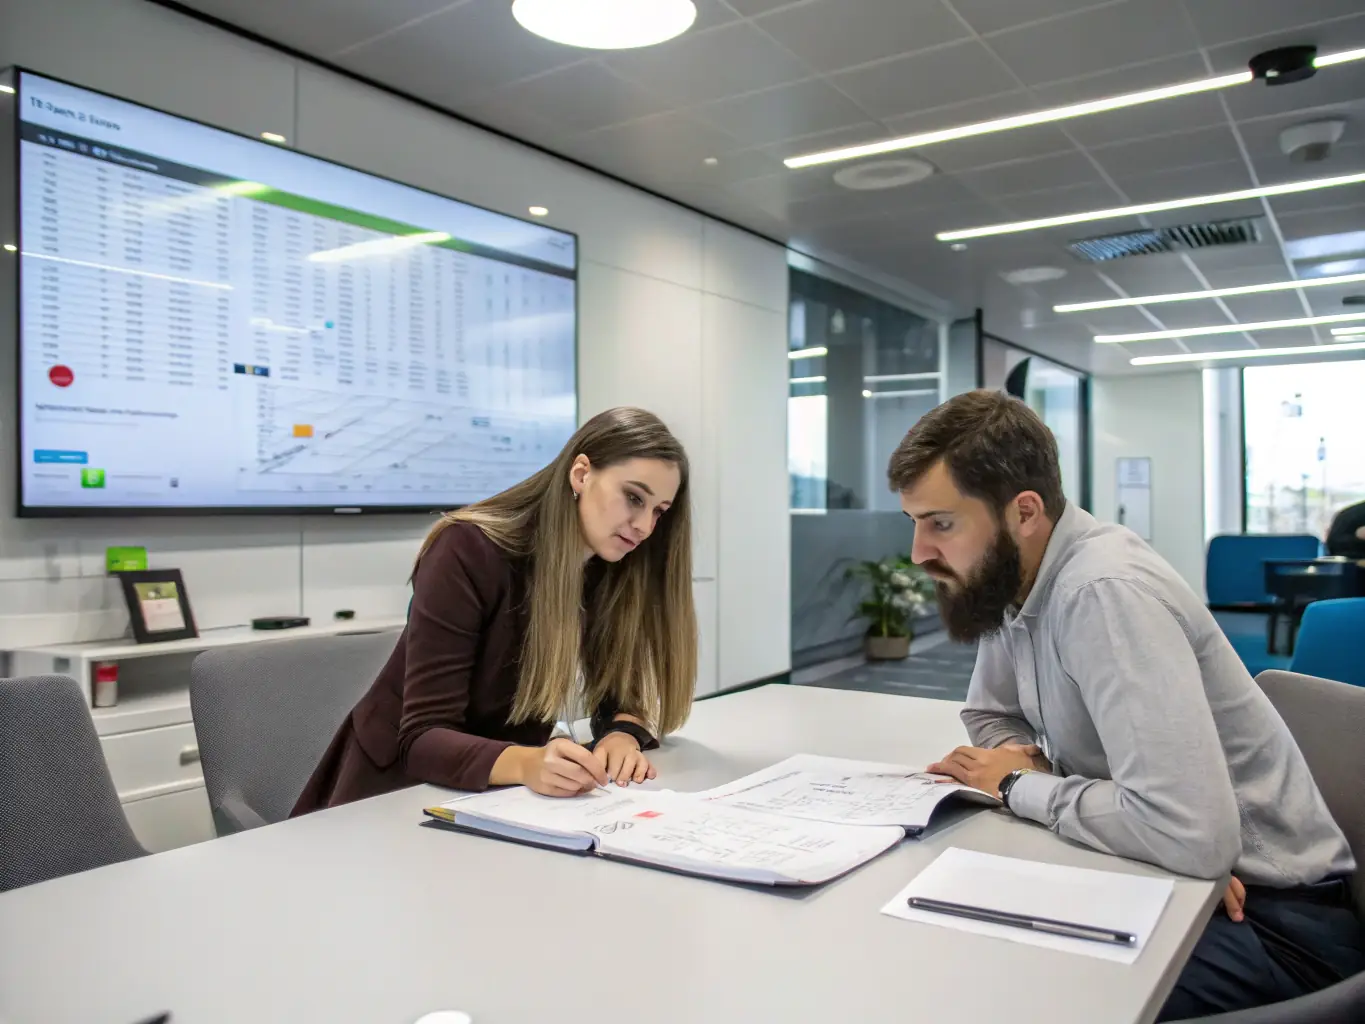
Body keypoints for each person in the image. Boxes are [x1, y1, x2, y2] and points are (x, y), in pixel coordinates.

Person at [889, 389, 1365, 1021]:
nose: (920, 552)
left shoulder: (1102, 594)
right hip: (1202, 877)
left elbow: (1189, 835)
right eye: (914, 523)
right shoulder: (1014, 579)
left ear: (1023, 512)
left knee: (997, 986)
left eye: (941, 523)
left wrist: (1016, 785)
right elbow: (989, 718)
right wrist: (1139, 832)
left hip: (1279, 926)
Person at [292, 406, 698, 814]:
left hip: (502, 800)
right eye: (633, 498)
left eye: (659, 511)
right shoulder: (466, 549)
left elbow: (620, 694)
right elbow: (421, 739)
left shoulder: (607, 564)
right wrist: (529, 762)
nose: (645, 526)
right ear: (580, 474)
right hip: (391, 798)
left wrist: (621, 736)